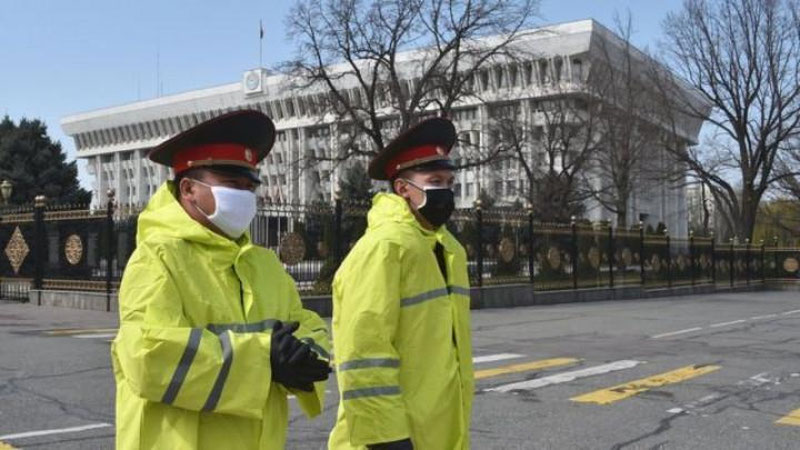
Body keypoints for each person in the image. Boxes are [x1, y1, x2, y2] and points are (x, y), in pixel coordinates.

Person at [111, 110, 331, 449]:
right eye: (231, 185)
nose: (245, 196)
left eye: (249, 187)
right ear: (188, 189)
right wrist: (263, 357)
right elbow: (148, 356)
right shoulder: (156, 258)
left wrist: (301, 355)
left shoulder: (265, 265)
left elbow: (310, 326)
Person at [328, 118, 474, 450]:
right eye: (434, 180)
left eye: (449, 181)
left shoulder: (448, 248)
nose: (445, 190)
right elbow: (363, 353)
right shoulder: (384, 247)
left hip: (439, 432)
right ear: (402, 188)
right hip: (387, 439)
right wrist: (387, 439)